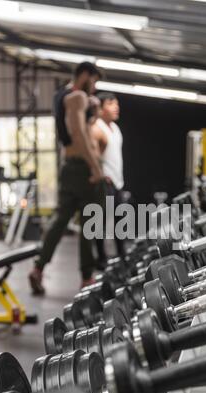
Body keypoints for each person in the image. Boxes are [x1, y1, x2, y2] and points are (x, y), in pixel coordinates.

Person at [29, 62, 104, 295]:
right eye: (94, 81)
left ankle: (39, 268)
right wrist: (95, 167)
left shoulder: (62, 95)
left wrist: (93, 108)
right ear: (84, 75)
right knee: (90, 222)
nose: (94, 87)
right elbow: (78, 134)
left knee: (62, 218)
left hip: (69, 167)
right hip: (82, 167)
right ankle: (86, 277)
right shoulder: (77, 97)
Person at [91, 92, 125, 268]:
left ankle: (122, 256)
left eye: (117, 104)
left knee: (120, 219)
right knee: (100, 221)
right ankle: (101, 258)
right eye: (111, 104)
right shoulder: (97, 128)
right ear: (101, 108)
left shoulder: (115, 128)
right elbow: (93, 156)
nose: (116, 107)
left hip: (117, 181)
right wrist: (101, 175)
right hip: (105, 182)